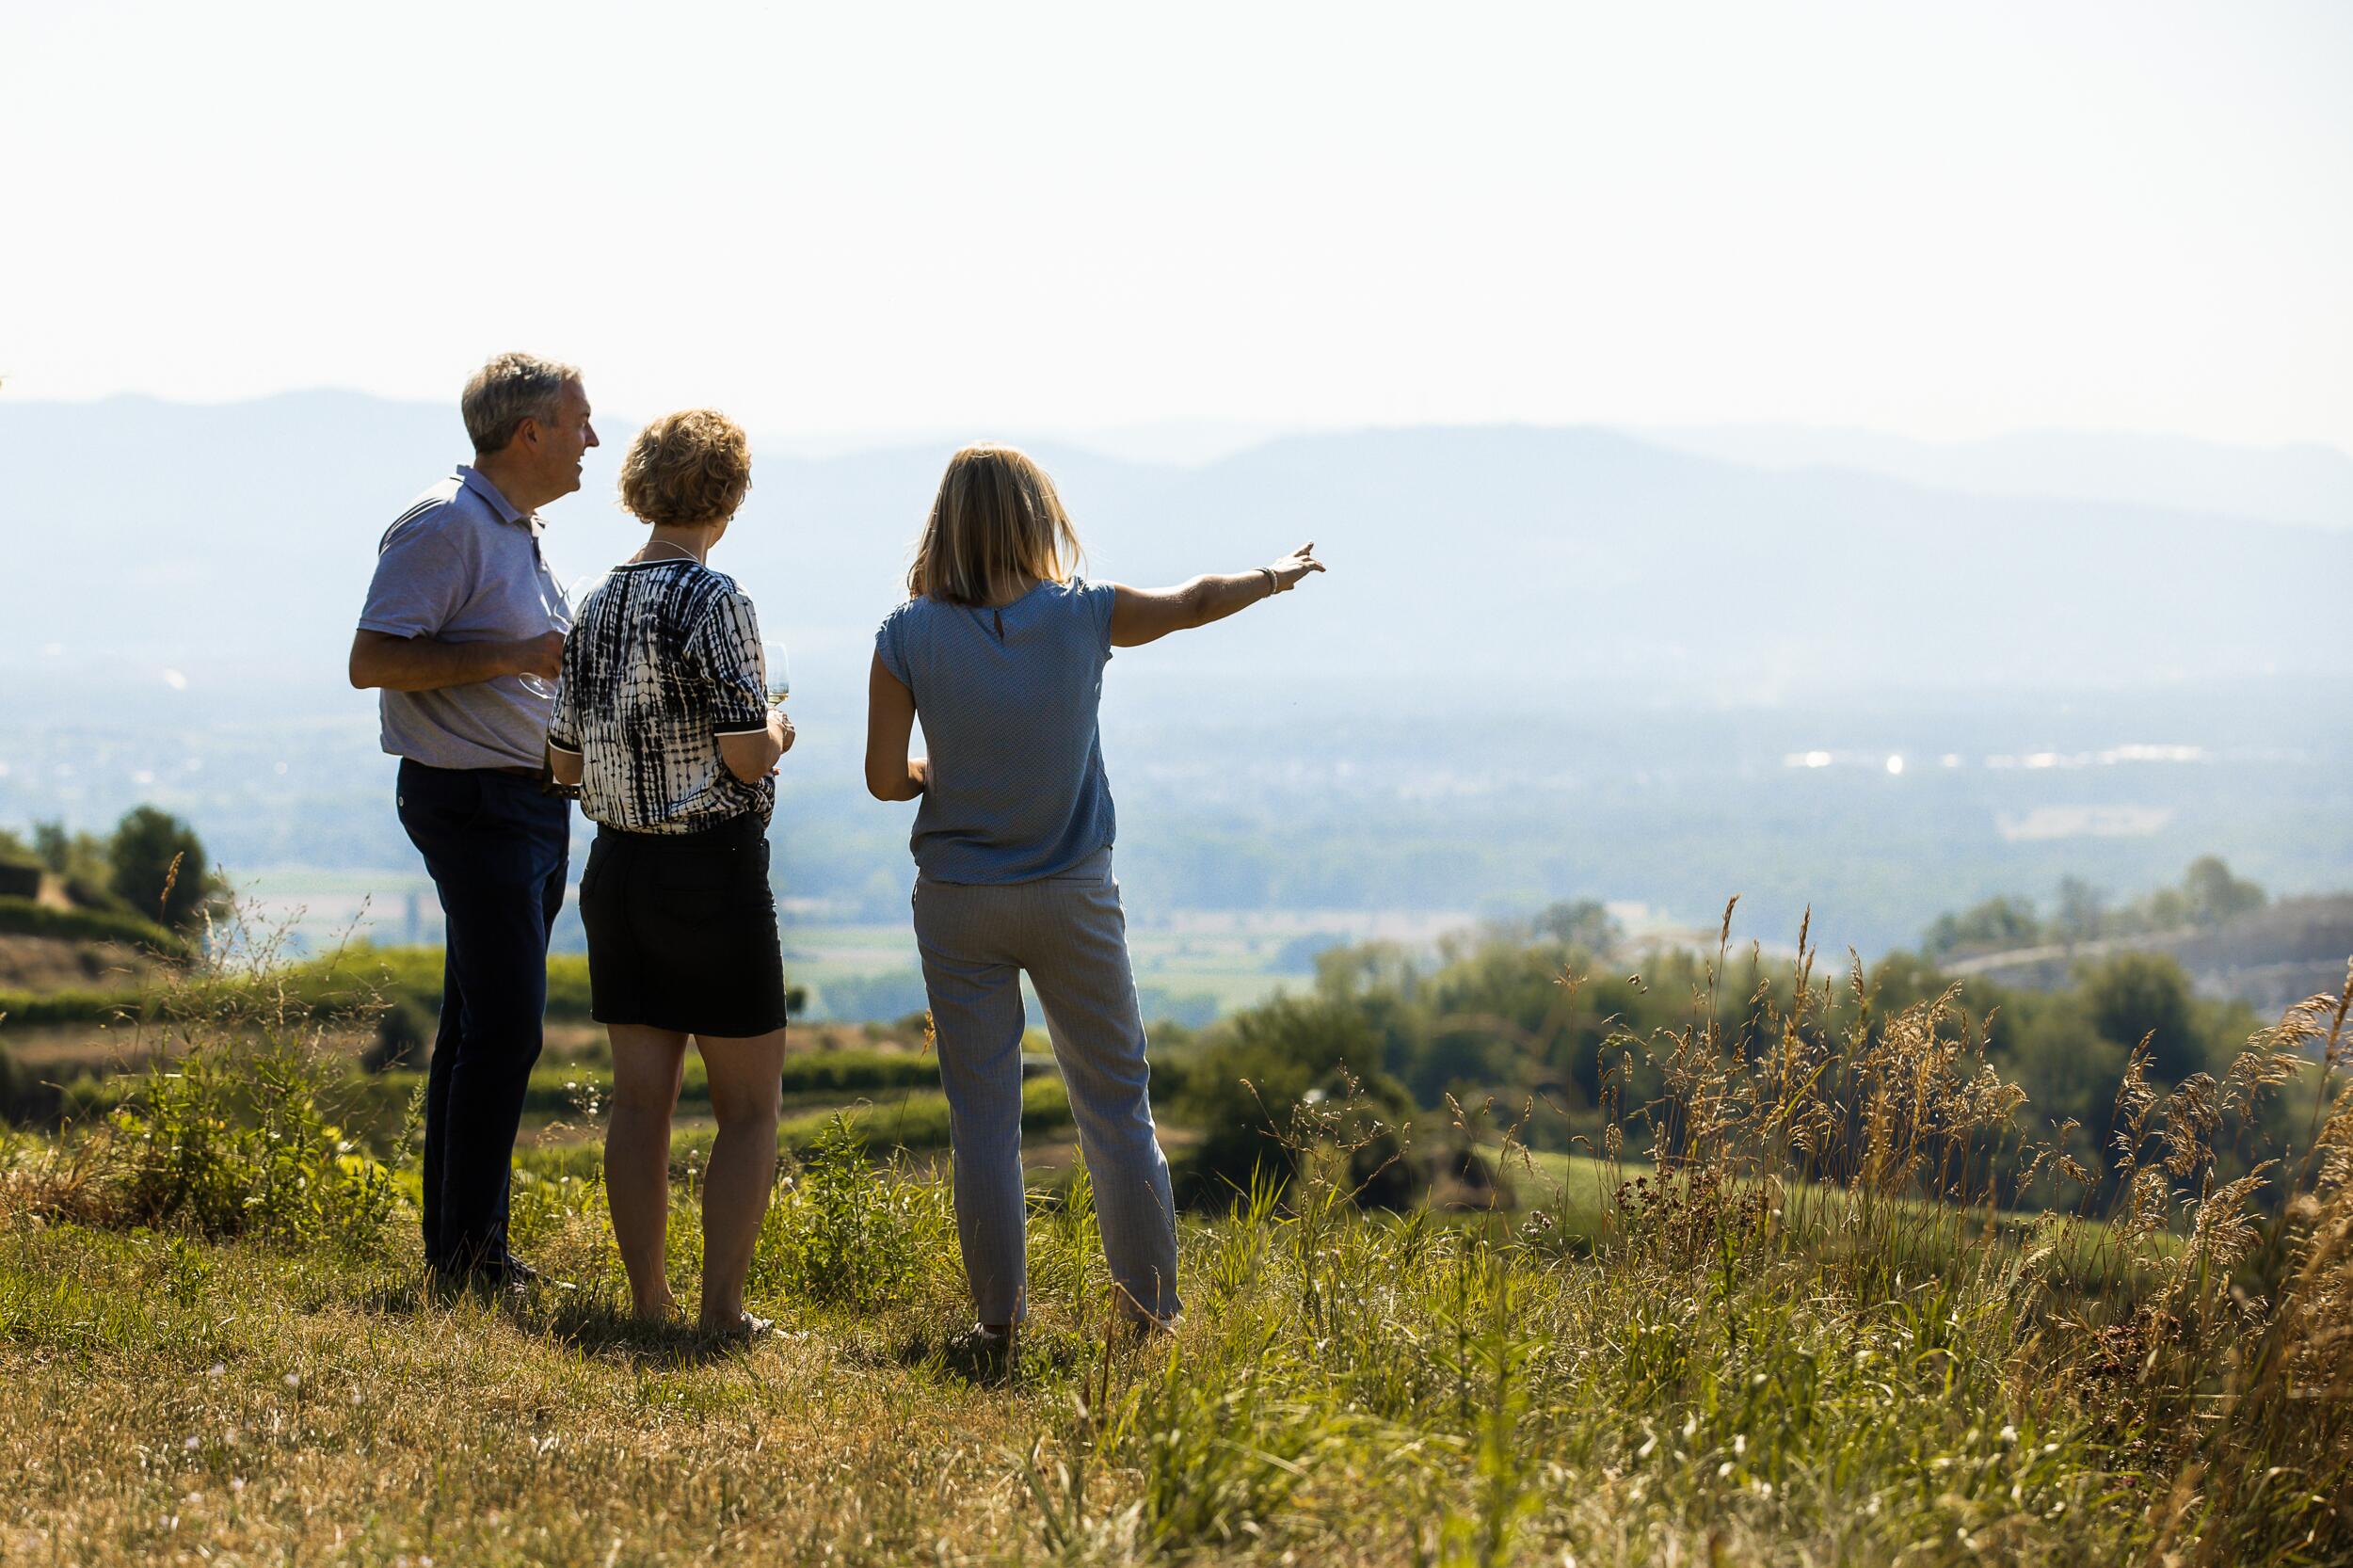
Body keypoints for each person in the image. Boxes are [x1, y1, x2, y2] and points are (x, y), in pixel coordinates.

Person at [865, 442, 1324, 1358]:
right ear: (1041, 519)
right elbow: (1195, 601)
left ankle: (997, 1324)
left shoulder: (905, 634)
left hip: (958, 899)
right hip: (1072, 893)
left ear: (945, 527)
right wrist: (1276, 575)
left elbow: (885, 779)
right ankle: (1150, 1316)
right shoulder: (1083, 615)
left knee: (984, 1119)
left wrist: (938, 770)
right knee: (1116, 1108)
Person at [350, 351, 597, 1291]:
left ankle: (465, 1251)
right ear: (528, 431)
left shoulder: (511, 527)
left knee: (477, 1028)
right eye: (579, 420)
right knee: (505, 1030)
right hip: (478, 802)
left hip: (525, 801)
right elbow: (375, 657)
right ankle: (468, 1261)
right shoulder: (447, 523)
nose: (592, 439)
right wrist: (517, 656)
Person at [547, 408, 794, 1336]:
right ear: (726, 496)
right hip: (712, 873)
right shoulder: (714, 598)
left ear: (639, 488)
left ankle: (648, 1302)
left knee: (640, 1103)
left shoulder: (593, 602)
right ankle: (721, 1311)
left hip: (616, 872)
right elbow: (742, 754)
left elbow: (562, 765)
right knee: (748, 1109)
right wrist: (777, 729)